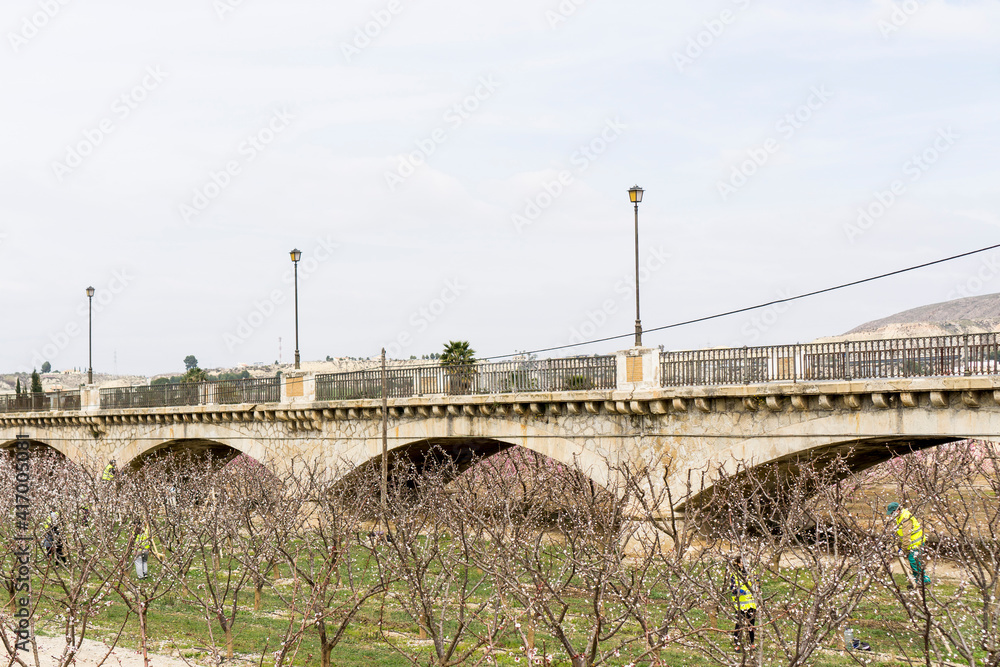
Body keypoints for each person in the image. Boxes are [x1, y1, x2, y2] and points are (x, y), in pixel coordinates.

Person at [887, 502, 931, 587]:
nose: (892, 515)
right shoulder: (899, 517)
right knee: (914, 561)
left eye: (892, 512)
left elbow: (906, 535)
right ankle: (918, 579)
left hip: (916, 542)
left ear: (898, 510)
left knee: (914, 560)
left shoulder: (905, 518)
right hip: (912, 543)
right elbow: (900, 530)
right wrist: (893, 536)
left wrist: (903, 549)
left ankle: (923, 580)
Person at [730, 556, 757, 651]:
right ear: (738, 564)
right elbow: (732, 589)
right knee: (739, 624)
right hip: (740, 604)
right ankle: (737, 644)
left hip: (751, 604)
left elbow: (757, 584)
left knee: (751, 625)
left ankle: (751, 643)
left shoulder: (752, 573)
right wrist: (739, 591)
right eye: (742, 562)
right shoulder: (735, 575)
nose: (744, 564)